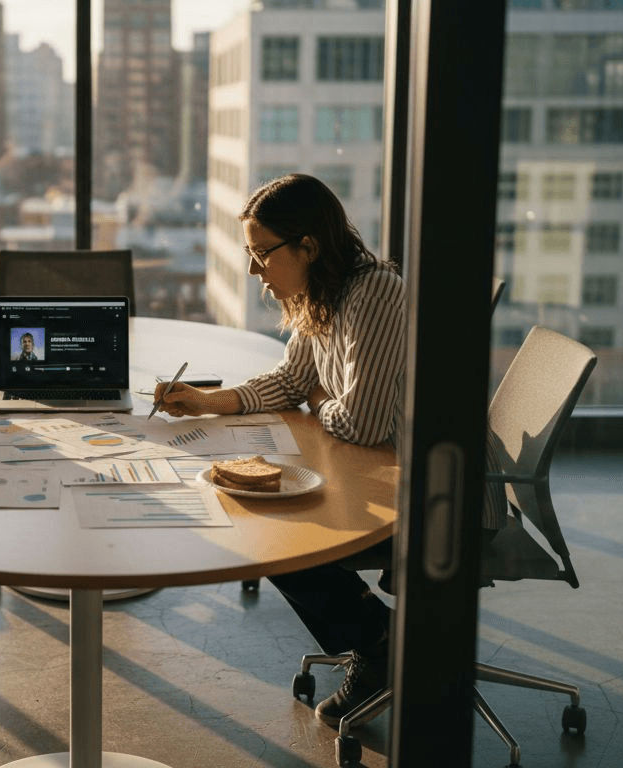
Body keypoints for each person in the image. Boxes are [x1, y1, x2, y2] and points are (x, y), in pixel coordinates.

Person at [156, 174, 503, 729]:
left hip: (444, 495)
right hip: (390, 475)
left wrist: (319, 397)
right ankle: (379, 642)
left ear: (308, 247)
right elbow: (291, 379)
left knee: (277, 534)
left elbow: (359, 424)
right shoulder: (320, 296)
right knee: (266, 520)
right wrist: (206, 402)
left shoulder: (375, 292)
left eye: (260, 253)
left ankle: (381, 650)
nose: (252, 270)